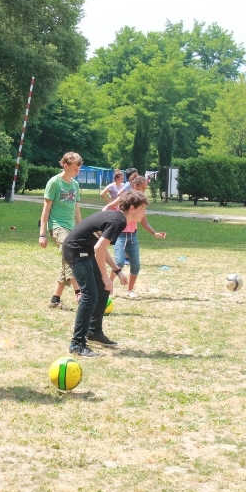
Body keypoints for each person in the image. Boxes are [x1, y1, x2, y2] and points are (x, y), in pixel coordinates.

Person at [63, 191, 150, 357]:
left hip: (84, 250)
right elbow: (98, 248)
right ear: (132, 208)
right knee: (89, 295)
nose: (144, 213)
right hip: (76, 250)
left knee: (102, 290)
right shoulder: (118, 220)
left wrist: (117, 271)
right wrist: (105, 276)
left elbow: (100, 246)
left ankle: (94, 333)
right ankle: (77, 343)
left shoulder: (118, 218)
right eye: (143, 208)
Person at [103, 175, 166, 298]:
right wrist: (103, 219)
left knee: (136, 265)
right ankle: (108, 286)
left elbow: (144, 221)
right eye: (142, 188)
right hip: (120, 235)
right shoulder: (124, 198)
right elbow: (109, 206)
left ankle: (130, 290)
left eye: (145, 189)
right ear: (135, 186)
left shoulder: (141, 203)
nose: (143, 191)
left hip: (133, 236)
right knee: (119, 262)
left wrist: (154, 233)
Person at [39, 152, 83, 310]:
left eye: (79, 168)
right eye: (75, 168)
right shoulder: (54, 183)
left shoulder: (75, 185)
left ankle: (55, 299)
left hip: (72, 228)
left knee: (67, 262)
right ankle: (79, 293)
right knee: (71, 258)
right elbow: (45, 210)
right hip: (57, 227)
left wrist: (82, 230)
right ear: (65, 165)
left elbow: (76, 210)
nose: (78, 171)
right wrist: (42, 234)